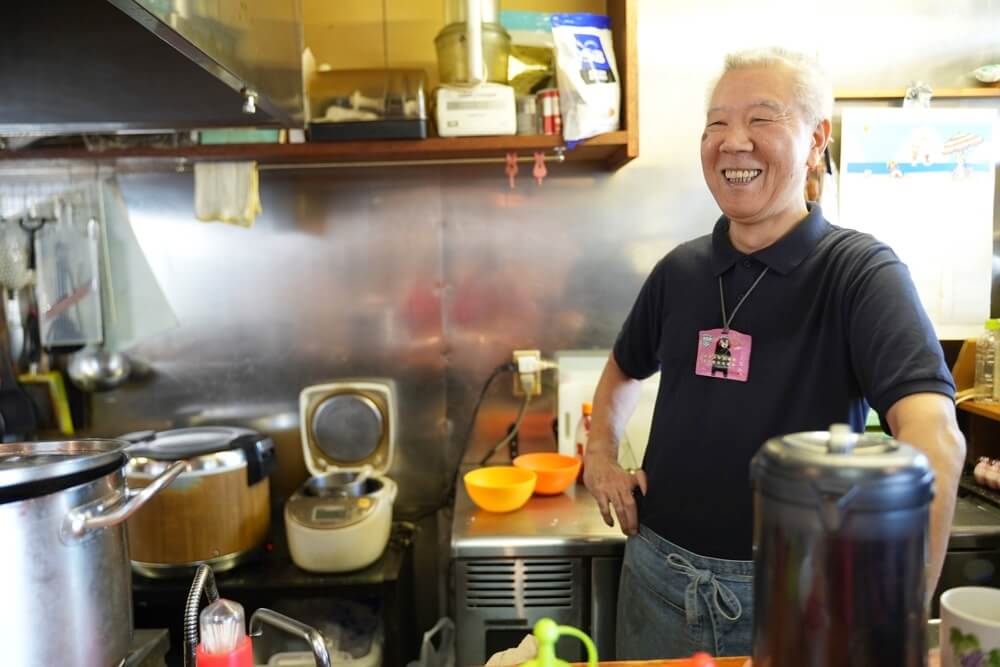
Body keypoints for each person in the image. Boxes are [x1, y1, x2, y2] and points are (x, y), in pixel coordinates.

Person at [582, 47, 966, 660]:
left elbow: (935, 439)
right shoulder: (679, 270)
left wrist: (892, 618)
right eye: (716, 123)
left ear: (817, 140)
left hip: (797, 597)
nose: (733, 141)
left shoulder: (861, 272)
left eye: (762, 119)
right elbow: (624, 370)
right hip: (658, 579)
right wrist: (598, 457)